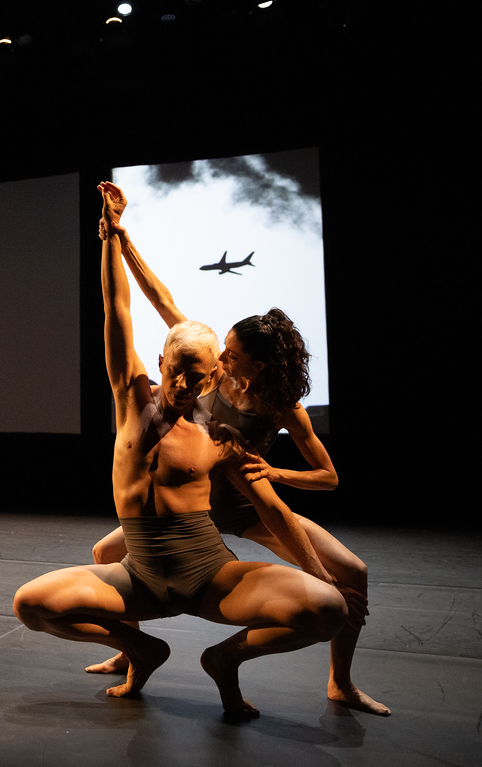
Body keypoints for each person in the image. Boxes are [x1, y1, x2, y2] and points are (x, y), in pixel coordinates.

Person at [11, 184, 348, 718]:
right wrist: (113, 237)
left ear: (215, 372)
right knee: (30, 604)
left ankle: (224, 660)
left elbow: (273, 510)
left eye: (200, 374)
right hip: (139, 577)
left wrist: (317, 572)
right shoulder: (131, 399)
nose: (186, 383)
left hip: (208, 574)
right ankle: (141, 649)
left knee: (329, 607)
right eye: (177, 370)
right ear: (160, 361)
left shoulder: (220, 436)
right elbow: (115, 306)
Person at [84, 182, 388, 716]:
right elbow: (160, 300)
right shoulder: (207, 373)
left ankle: (339, 680)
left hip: (245, 507)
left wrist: (272, 471)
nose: (220, 354)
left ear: (258, 364)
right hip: (193, 507)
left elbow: (329, 477)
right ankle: (129, 653)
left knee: (351, 575)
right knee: (106, 554)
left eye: (231, 350)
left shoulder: (282, 407)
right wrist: (122, 239)